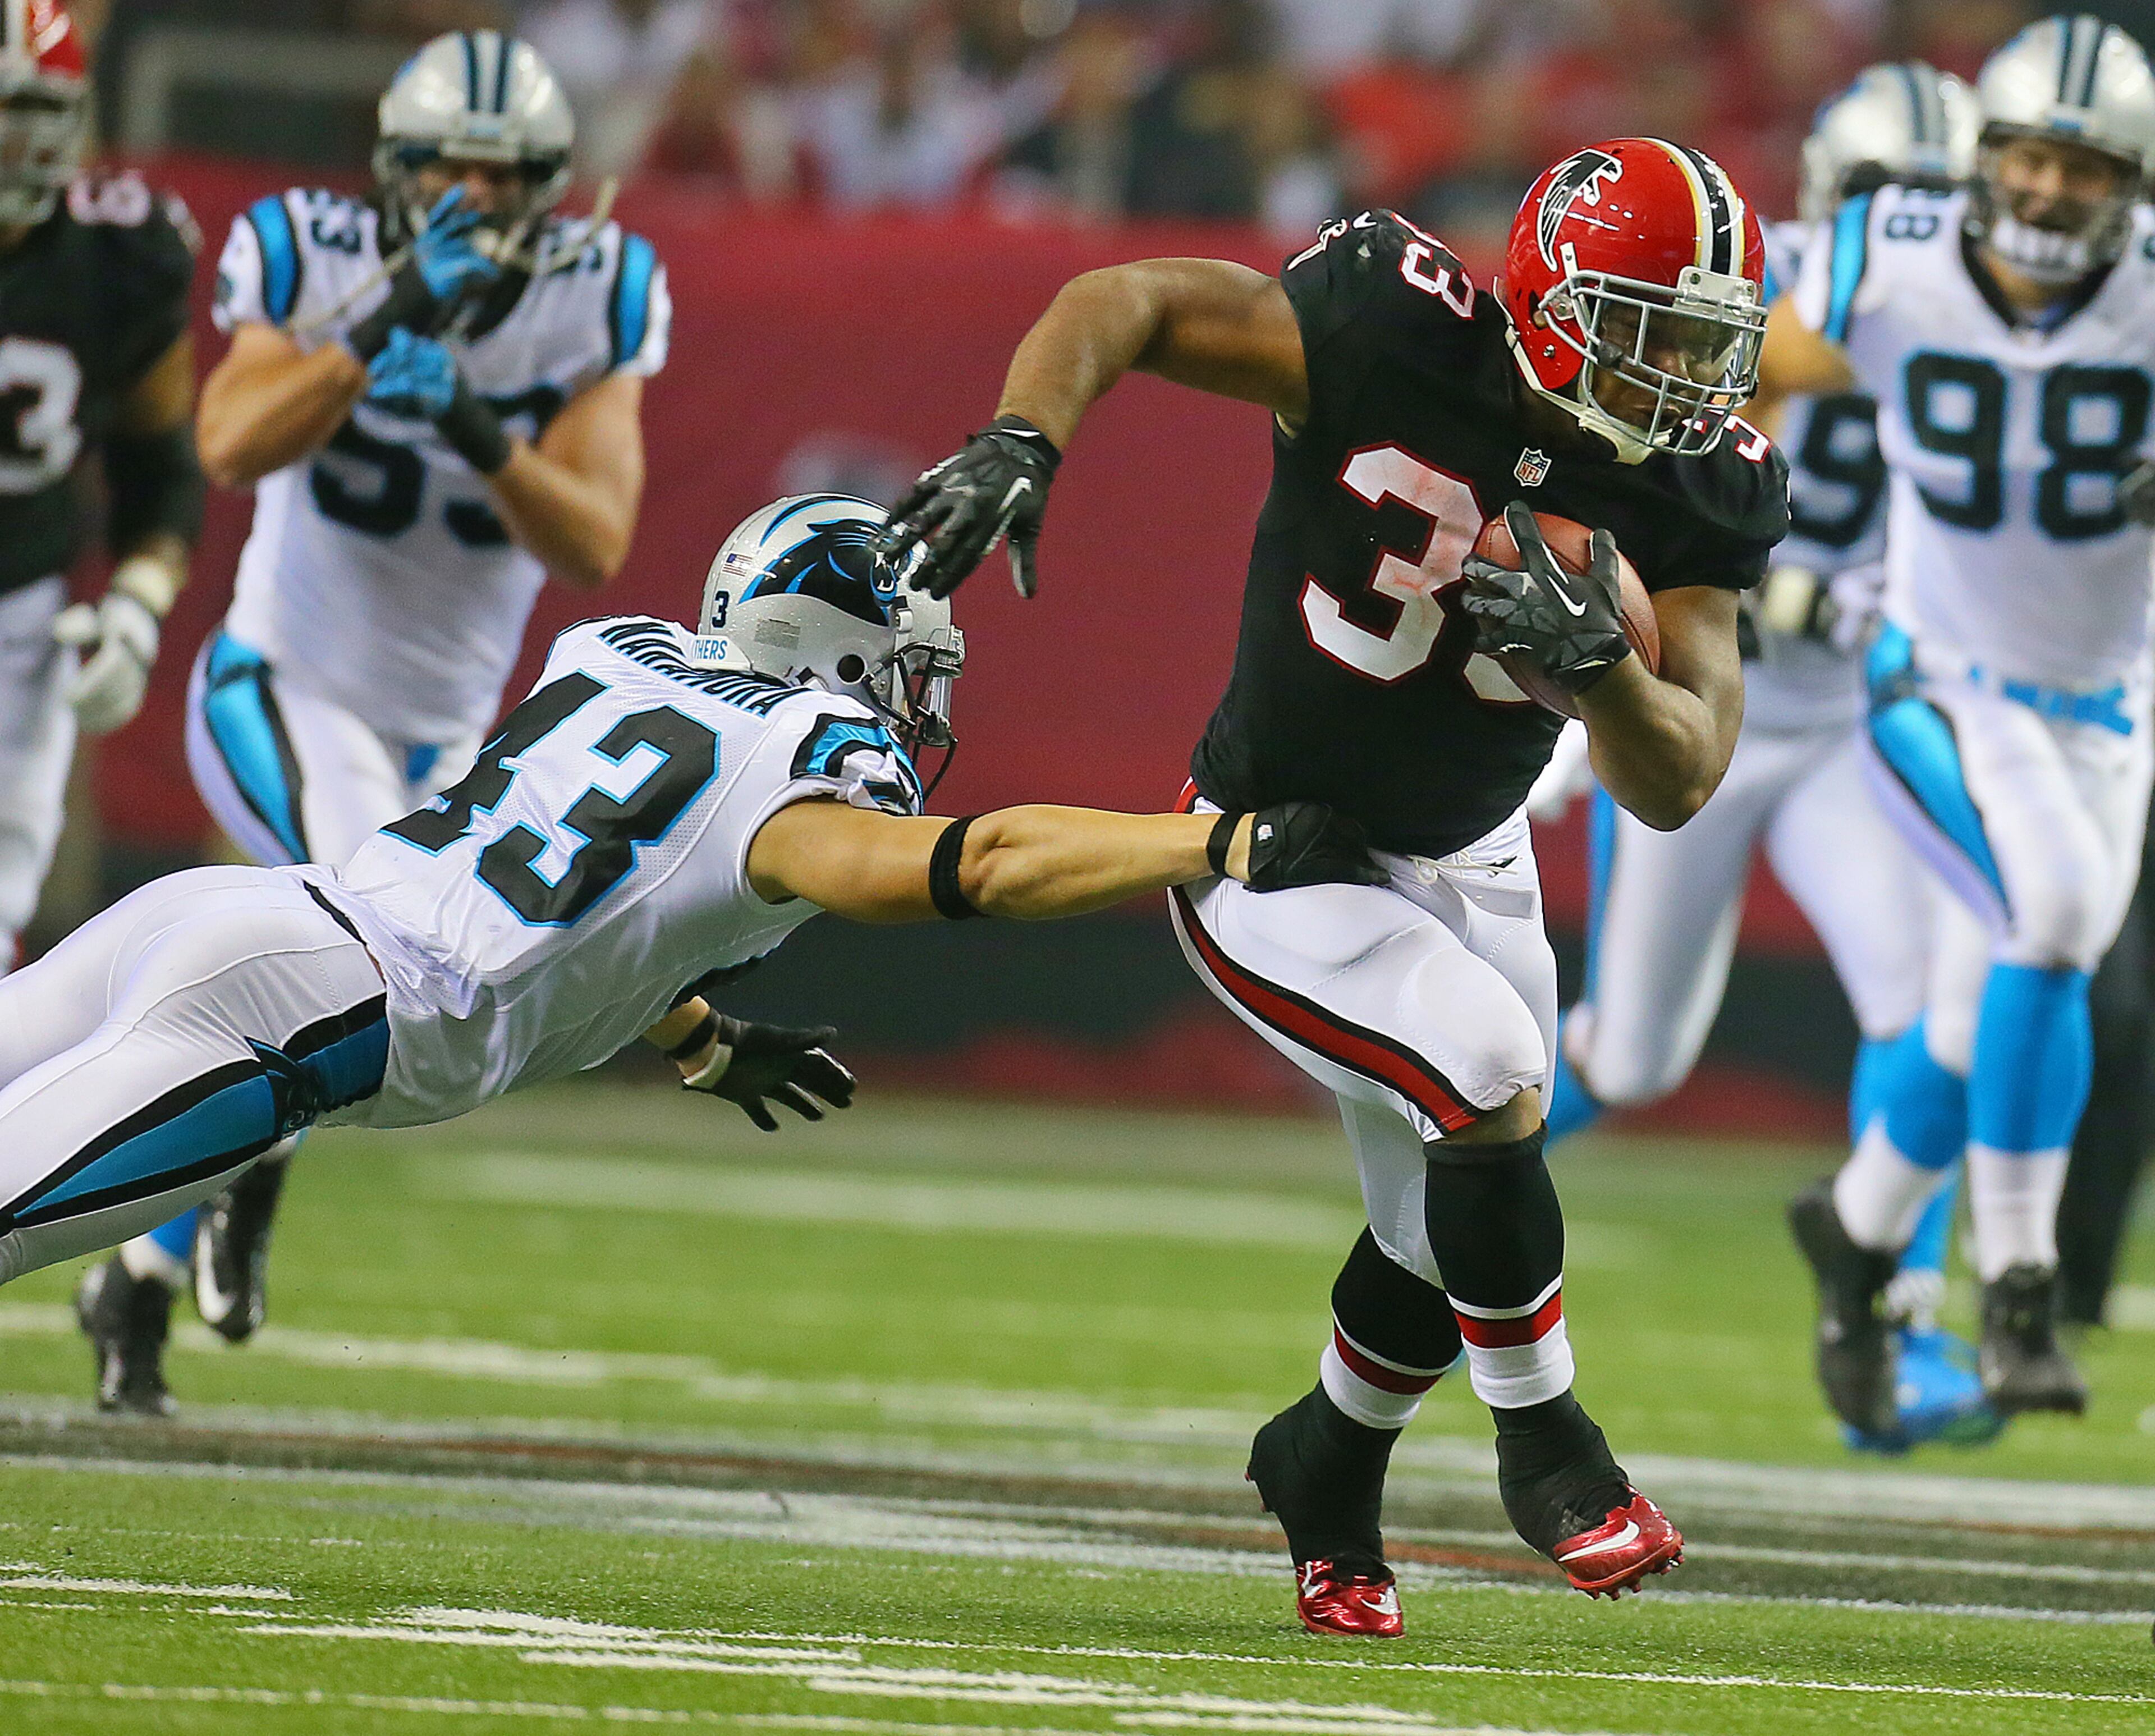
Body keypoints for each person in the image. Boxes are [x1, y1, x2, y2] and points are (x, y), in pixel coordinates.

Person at [877, 138, 1790, 1636]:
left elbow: (1684, 768)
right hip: (1273, 845)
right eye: (1653, 328)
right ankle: (1551, 1447)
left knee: (1451, 1228)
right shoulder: (1393, 323)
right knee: (1487, 1081)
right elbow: (1131, 298)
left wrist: (1603, 672)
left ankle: (1325, 1464)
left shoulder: (1706, 481)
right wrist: (1024, 435)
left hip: (1471, 852)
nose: (1687, 376)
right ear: (1557, 299)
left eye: (1708, 339)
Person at [0, 494, 1377, 1295]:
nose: (918, 698)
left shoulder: (618, 653)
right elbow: (974, 869)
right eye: (903, 663)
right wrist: (1210, 843)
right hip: (303, 1014)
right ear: (829, 649)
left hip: (221, 920)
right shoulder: (796, 759)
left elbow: (589, 881)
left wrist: (694, 1032)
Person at [77, 29, 671, 1416]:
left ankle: (143, 1271)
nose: (476, 199)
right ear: (394, 176)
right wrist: (386, 318)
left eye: (507, 175)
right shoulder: (317, 252)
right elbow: (229, 441)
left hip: (452, 747)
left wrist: (473, 421)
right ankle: (211, 1196)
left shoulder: (598, 292)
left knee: (366, 997)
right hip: (283, 686)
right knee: (357, 961)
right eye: (448, 172)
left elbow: (593, 538)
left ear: (552, 185)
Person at [1536, 64, 2000, 1453]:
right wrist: (1798, 594)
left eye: (1940, 208)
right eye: (1892, 204)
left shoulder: (2002, 325)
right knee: (1634, 1056)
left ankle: (1888, 1317)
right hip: (1711, 711)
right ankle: (1444, 1170)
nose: (1916, 235)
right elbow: (1681, 495)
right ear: (1834, 200)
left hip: (1854, 724)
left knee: (1936, 1014)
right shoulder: (1756, 312)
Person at [1756, 14, 2155, 1431]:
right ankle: (2025, 1293)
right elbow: (1746, 383)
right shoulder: (1898, 249)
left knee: (1973, 1009)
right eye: (2033, 159)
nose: (2052, 191)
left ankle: (1858, 1226)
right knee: (2044, 918)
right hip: (1940, 672)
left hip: (2108, 704)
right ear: (1988, 158)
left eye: (2090, 169)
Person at [0, 0, 201, 976]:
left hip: (16, 610)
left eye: (30, 109)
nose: (14, 138)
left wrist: (134, 605)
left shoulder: (118, 255)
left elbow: (161, 471)